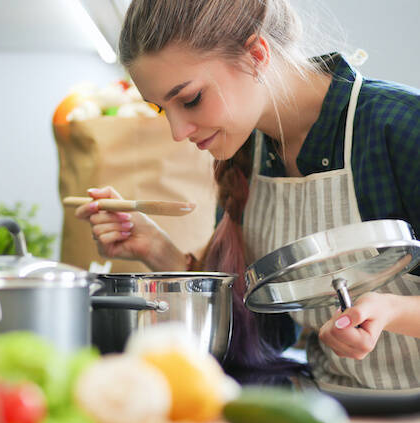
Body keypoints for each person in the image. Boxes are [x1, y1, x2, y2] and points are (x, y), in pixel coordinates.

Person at [74, 0, 420, 389]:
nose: (177, 132)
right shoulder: (248, 153)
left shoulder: (402, 126)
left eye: (190, 100)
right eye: (161, 109)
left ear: (256, 55)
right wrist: (158, 249)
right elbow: (263, 334)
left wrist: (393, 310)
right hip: (334, 410)